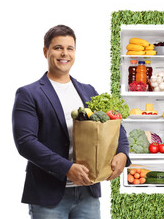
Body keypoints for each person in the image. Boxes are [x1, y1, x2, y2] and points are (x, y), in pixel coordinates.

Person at [12, 25, 131, 219]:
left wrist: (123, 153)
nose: (64, 53)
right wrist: (67, 168)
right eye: (58, 47)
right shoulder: (29, 93)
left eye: (70, 48)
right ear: (45, 51)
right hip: (48, 195)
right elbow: (25, 142)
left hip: (88, 192)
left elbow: (116, 126)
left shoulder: (88, 91)